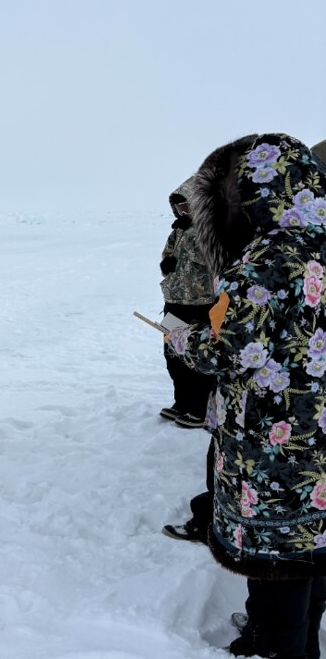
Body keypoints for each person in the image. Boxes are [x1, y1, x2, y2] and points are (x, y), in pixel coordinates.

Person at [166, 133, 326, 659]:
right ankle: (292, 637)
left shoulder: (265, 258)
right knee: (314, 556)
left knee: (279, 564)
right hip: (318, 438)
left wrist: (181, 336)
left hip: (275, 447)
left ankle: (277, 644)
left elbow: (226, 350)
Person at [159, 176, 217, 429]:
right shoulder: (177, 231)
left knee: (196, 354)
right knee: (173, 354)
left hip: (200, 303)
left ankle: (200, 408)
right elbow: (168, 255)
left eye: (188, 206)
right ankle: (181, 402)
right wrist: (166, 263)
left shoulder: (212, 230)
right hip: (174, 301)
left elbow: (215, 260)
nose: (183, 211)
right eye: (180, 206)